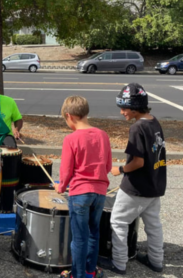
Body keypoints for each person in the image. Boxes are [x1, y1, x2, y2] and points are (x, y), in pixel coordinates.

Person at [98, 83, 166, 275]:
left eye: (124, 108)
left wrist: (120, 169)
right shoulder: (154, 122)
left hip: (137, 186)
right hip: (155, 184)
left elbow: (138, 162)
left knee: (118, 221)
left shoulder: (137, 128)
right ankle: (155, 261)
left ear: (135, 107)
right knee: (153, 224)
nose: (121, 112)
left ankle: (119, 264)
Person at [55, 96, 112, 278]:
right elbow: (108, 166)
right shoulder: (103, 135)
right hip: (100, 193)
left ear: (69, 116)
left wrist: (61, 187)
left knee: (79, 238)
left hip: (80, 193)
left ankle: (77, 275)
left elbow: (66, 170)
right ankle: (90, 271)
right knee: (94, 233)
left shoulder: (71, 139)